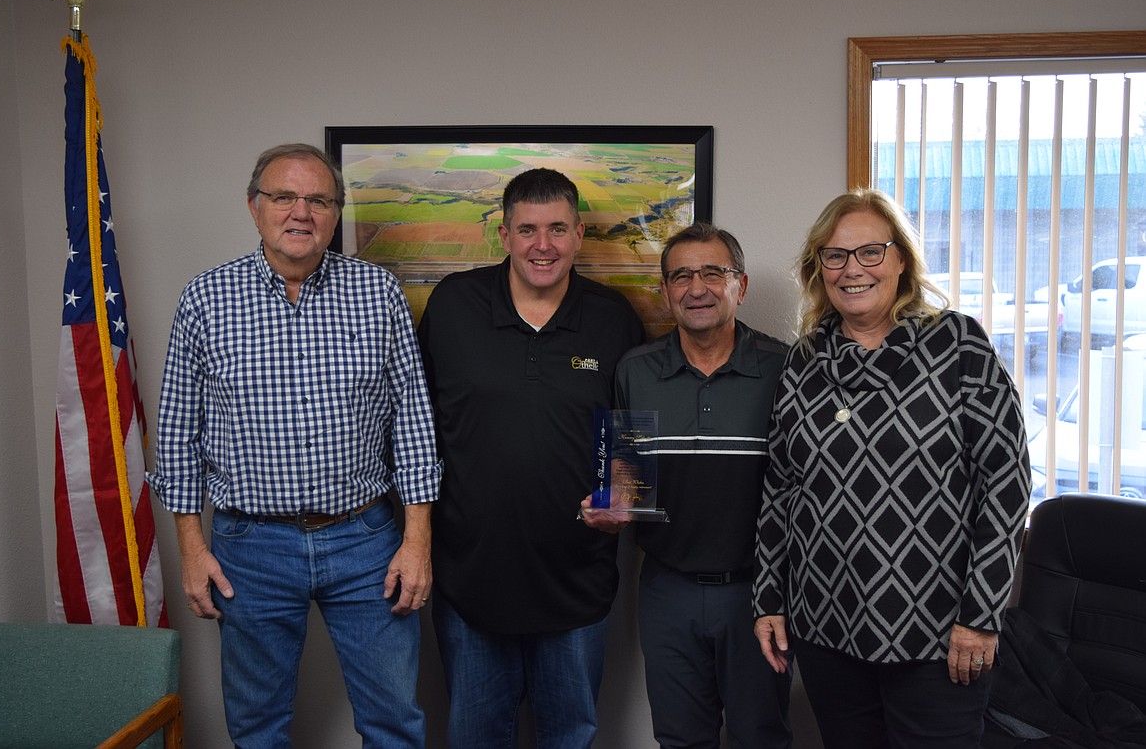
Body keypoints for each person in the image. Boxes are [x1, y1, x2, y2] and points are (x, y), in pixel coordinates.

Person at [148, 143, 441, 747]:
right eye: (284, 197)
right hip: (248, 548)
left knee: (395, 723)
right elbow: (178, 430)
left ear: (336, 215)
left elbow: (412, 421)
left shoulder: (377, 293)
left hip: (365, 541)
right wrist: (191, 548)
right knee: (257, 728)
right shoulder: (206, 299)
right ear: (255, 207)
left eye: (318, 200)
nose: (300, 212)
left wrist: (417, 541)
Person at [753, 188, 1031, 748]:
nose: (852, 269)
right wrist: (769, 599)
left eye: (870, 252)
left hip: (939, 633)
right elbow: (781, 491)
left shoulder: (957, 345)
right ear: (818, 268)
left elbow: (1006, 484)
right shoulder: (803, 363)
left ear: (901, 259)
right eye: (835, 255)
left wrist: (981, 615)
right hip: (826, 623)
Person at [417, 167, 645, 748]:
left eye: (557, 229)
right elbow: (416, 423)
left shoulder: (613, 317)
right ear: (504, 234)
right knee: (474, 736)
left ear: (579, 235)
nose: (543, 246)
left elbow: (627, 432)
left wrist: (622, 492)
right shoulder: (453, 306)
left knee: (569, 735)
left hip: (576, 577)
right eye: (527, 230)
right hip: (471, 577)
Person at [583, 222, 793, 749]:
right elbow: (626, 481)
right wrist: (611, 509)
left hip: (759, 594)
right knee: (679, 738)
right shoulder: (636, 369)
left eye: (712, 273)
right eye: (681, 276)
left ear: (740, 286)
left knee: (761, 736)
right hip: (666, 590)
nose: (696, 288)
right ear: (665, 291)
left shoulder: (785, 367)